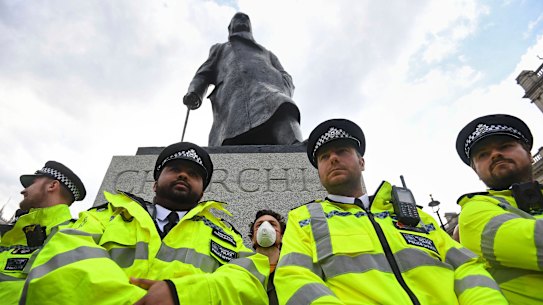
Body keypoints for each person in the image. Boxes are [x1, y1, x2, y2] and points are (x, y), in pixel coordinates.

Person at [274, 118, 507, 305]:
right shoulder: (304, 218)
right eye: (324, 157)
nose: (333, 158)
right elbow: (295, 278)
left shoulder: (416, 216)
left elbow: (466, 267)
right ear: (319, 172)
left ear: (361, 162)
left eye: (342, 151)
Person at [20, 142, 269, 305]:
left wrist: (183, 296)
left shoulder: (227, 234)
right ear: (154, 184)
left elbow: (251, 283)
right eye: (174, 169)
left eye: (193, 174)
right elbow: (61, 264)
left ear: (202, 193)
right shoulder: (105, 216)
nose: (183, 175)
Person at [455, 113, 543, 304]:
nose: (495, 155)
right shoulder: (475, 211)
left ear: (529, 154)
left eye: (505, 146)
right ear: (476, 171)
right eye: (483, 155)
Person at [184, 12, 303, 146]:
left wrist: (280, 85)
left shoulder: (266, 53)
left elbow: (285, 75)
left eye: (245, 19)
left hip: (268, 91)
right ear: (230, 28)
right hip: (234, 98)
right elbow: (203, 73)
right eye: (237, 18)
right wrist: (195, 92)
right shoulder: (221, 48)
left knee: (283, 106)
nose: (242, 20)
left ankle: (296, 146)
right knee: (233, 139)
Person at [0, 161, 86, 305]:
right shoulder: (16, 229)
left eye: (31, 184)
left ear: (52, 186)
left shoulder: (68, 236)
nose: (23, 190)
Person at [249, 209, 286, 305]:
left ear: (281, 236)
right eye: (259, 225)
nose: (265, 228)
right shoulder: (241, 270)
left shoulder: (292, 269)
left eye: (272, 224)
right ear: (253, 238)